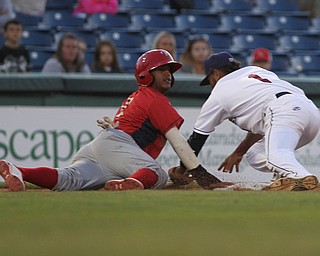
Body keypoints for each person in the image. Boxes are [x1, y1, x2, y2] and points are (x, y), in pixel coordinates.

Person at [0, 49, 220, 192]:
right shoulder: (154, 98)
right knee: (156, 173)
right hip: (119, 146)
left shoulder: (138, 96)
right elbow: (178, 142)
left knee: (67, 179)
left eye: (170, 70)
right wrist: (201, 174)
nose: (168, 73)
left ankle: (19, 170)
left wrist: (180, 172)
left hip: (104, 148)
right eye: (161, 69)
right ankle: (130, 184)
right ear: (145, 74)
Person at [178, 51, 320, 191]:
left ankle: (301, 177)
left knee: (275, 155)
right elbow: (263, 122)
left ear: (216, 73)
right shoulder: (256, 71)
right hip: (310, 111)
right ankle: (286, 178)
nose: (211, 84)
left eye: (209, 80)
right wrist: (239, 152)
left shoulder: (219, 92)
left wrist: (182, 168)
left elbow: (197, 139)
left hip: (283, 109)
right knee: (255, 154)